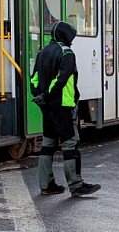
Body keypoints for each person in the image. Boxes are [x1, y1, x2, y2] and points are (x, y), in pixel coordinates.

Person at [30, 21, 100, 197]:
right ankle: (76, 185)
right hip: (62, 105)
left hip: (46, 106)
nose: (73, 41)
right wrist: (48, 96)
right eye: (72, 37)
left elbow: (34, 79)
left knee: (48, 143)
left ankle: (46, 184)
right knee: (70, 142)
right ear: (65, 36)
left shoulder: (42, 53)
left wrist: (40, 96)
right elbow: (61, 80)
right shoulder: (67, 53)